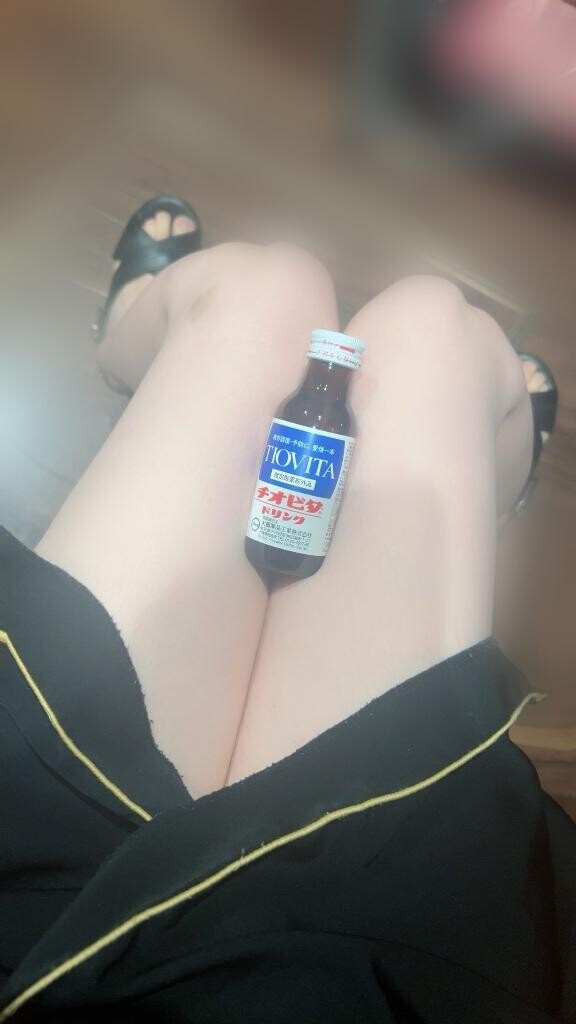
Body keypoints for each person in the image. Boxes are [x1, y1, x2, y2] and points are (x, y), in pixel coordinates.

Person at [0, 196, 573, 1023]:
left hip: (34, 861)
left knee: (270, 294)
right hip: (362, 927)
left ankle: (125, 331)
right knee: (436, 331)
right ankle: (489, 483)